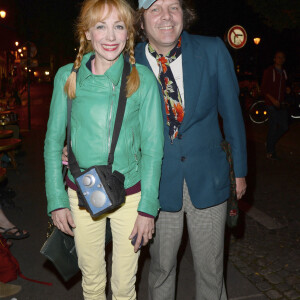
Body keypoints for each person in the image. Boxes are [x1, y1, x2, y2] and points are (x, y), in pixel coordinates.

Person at [63, 0, 247, 298]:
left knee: (212, 271)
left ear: (184, 14)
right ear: (141, 20)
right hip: (156, 184)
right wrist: (76, 151)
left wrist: (239, 171)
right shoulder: (124, 58)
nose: (165, 16)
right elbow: (95, 109)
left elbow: (233, 115)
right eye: (155, 9)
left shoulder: (212, 50)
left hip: (209, 177)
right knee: (161, 269)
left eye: (173, 7)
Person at [44, 0, 164, 299]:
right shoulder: (66, 77)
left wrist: (148, 208)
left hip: (130, 195)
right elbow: (52, 142)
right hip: (81, 192)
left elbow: (153, 149)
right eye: (101, 27)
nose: (110, 37)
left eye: (119, 27)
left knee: (125, 286)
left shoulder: (144, 80)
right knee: (92, 280)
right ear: (86, 33)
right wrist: (56, 200)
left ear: (129, 34)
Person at [261, 51, 289, 160]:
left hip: (281, 104)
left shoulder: (283, 72)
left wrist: (287, 89)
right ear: (274, 59)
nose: (280, 59)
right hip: (271, 104)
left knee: (284, 127)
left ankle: (269, 142)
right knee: (273, 126)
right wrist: (272, 100)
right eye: (278, 57)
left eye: (282, 57)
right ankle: (270, 152)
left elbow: (284, 86)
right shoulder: (269, 71)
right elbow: (264, 89)